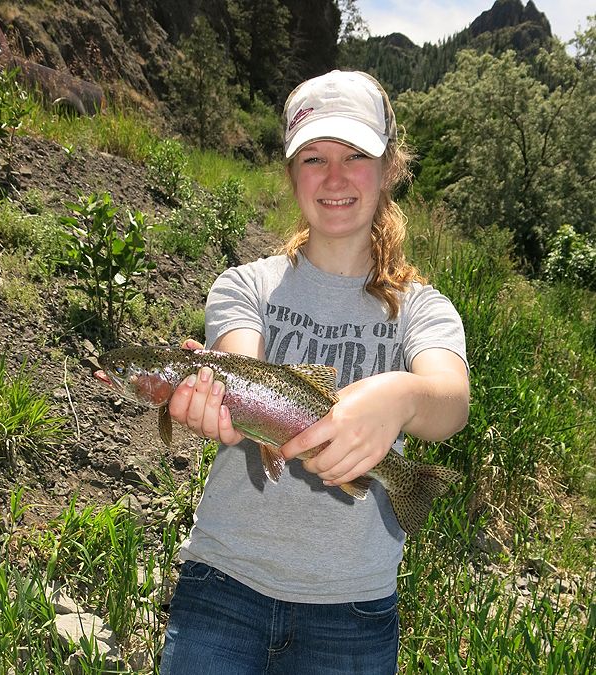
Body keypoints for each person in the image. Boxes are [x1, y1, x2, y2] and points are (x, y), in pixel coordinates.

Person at [159, 70, 470, 675]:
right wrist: (217, 406)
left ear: (389, 170)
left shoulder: (422, 310)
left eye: (355, 155)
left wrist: (402, 394)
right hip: (223, 585)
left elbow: (450, 403)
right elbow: (239, 365)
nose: (335, 177)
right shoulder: (245, 285)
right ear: (291, 173)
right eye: (314, 157)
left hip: (352, 613)